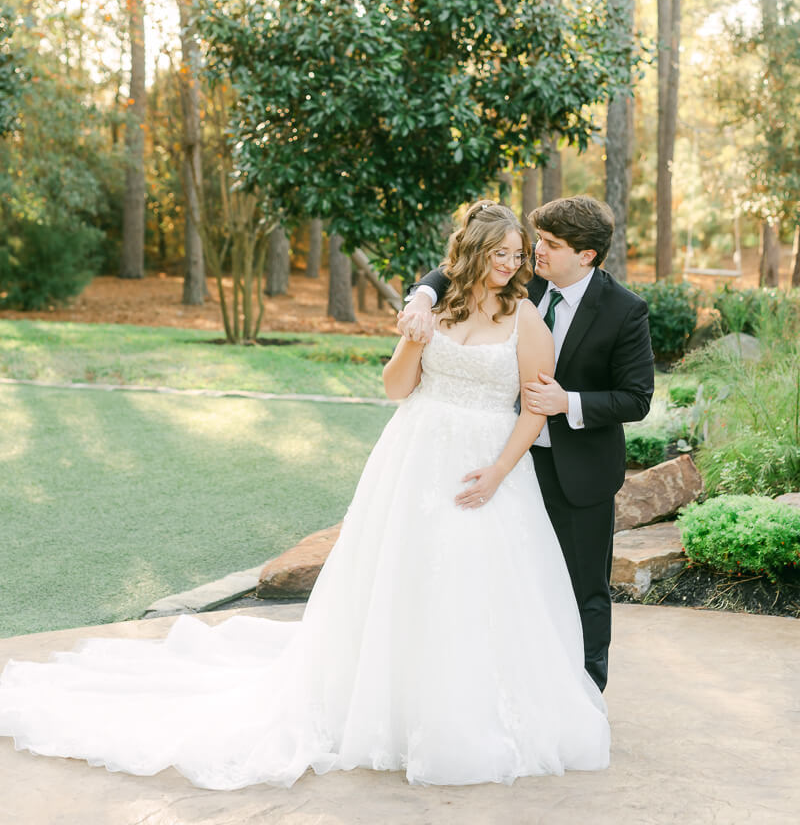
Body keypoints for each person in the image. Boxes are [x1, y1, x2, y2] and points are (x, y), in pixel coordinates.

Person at [0, 201, 609, 790]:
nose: (512, 264)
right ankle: (387, 706)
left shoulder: (526, 319)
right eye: (500, 254)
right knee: (399, 578)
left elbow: (535, 407)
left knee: (476, 587)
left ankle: (470, 712)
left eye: (516, 255)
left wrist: (500, 471)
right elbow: (396, 388)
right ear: (472, 253)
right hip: (415, 458)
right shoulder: (436, 311)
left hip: (486, 466)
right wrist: (414, 335)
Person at [400, 195, 654, 692]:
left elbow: (636, 397)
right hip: (506, 462)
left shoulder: (624, 310)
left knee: (584, 588)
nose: (535, 252)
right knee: (507, 579)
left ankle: (585, 694)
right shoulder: (521, 279)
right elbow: (452, 271)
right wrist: (420, 298)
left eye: (551, 245)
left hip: (578, 471)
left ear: (587, 256)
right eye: (536, 241)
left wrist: (569, 402)